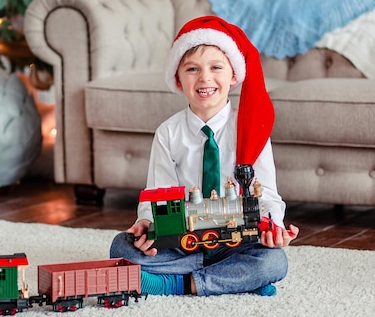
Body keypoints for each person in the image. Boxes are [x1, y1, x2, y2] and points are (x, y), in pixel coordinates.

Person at [109, 15, 299, 297]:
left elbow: (267, 193)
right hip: (184, 238)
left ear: (233, 75)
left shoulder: (251, 130)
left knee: (273, 262)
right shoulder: (168, 133)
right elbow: (156, 194)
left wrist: (274, 227)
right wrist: (146, 223)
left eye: (216, 68)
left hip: (235, 241)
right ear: (178, 78)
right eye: (192, 69)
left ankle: (179, 284)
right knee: (121, 248)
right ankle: (233, 279)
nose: (205, 78)